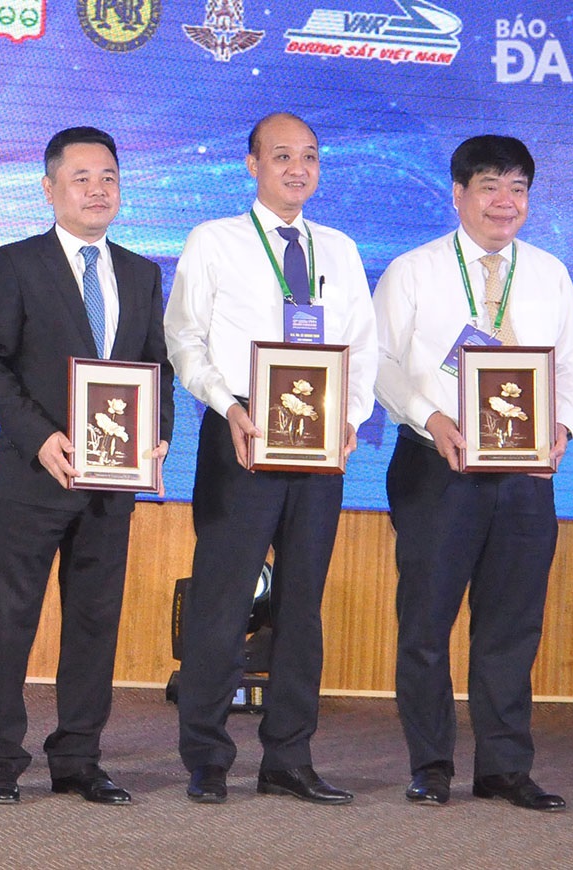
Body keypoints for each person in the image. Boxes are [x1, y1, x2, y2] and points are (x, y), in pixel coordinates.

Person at [372, 134, 573, 811]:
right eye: (491, 186)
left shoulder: (550, 273)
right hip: (436, 466)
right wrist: (429, 417)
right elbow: (379, 363)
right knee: (426, 623)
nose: (506, 202)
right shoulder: (413, 270)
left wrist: (562, 425)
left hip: (525, 476)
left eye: (518, 188)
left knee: (512, 624)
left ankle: (504, 766)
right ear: (458, 194)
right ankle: (431, 765)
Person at [164, 112, 378, 805]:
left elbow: (363, 346)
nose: (298, 168)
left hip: (318, 450)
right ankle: (207, 756)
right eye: (282, 155)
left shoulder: (340, 250)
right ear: (251, 165)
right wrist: (228, 406)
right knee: (224, 604)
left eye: (309, 157)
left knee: (302, 606)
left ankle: (289, 756)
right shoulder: (215, 241)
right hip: (241, 439)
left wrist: (350, 419)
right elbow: (185, 339)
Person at [0, 126, 174, 805]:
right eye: (82, 177)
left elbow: (157, 370)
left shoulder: (143, 273)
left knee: (94, 624)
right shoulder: (13, 263)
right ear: (50, 186)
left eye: (109, 177)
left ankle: (79, 758)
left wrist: (160, 437)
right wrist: (40, 438)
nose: (97, 189)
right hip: (34, 476)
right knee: (10, 622)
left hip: (113, 486)